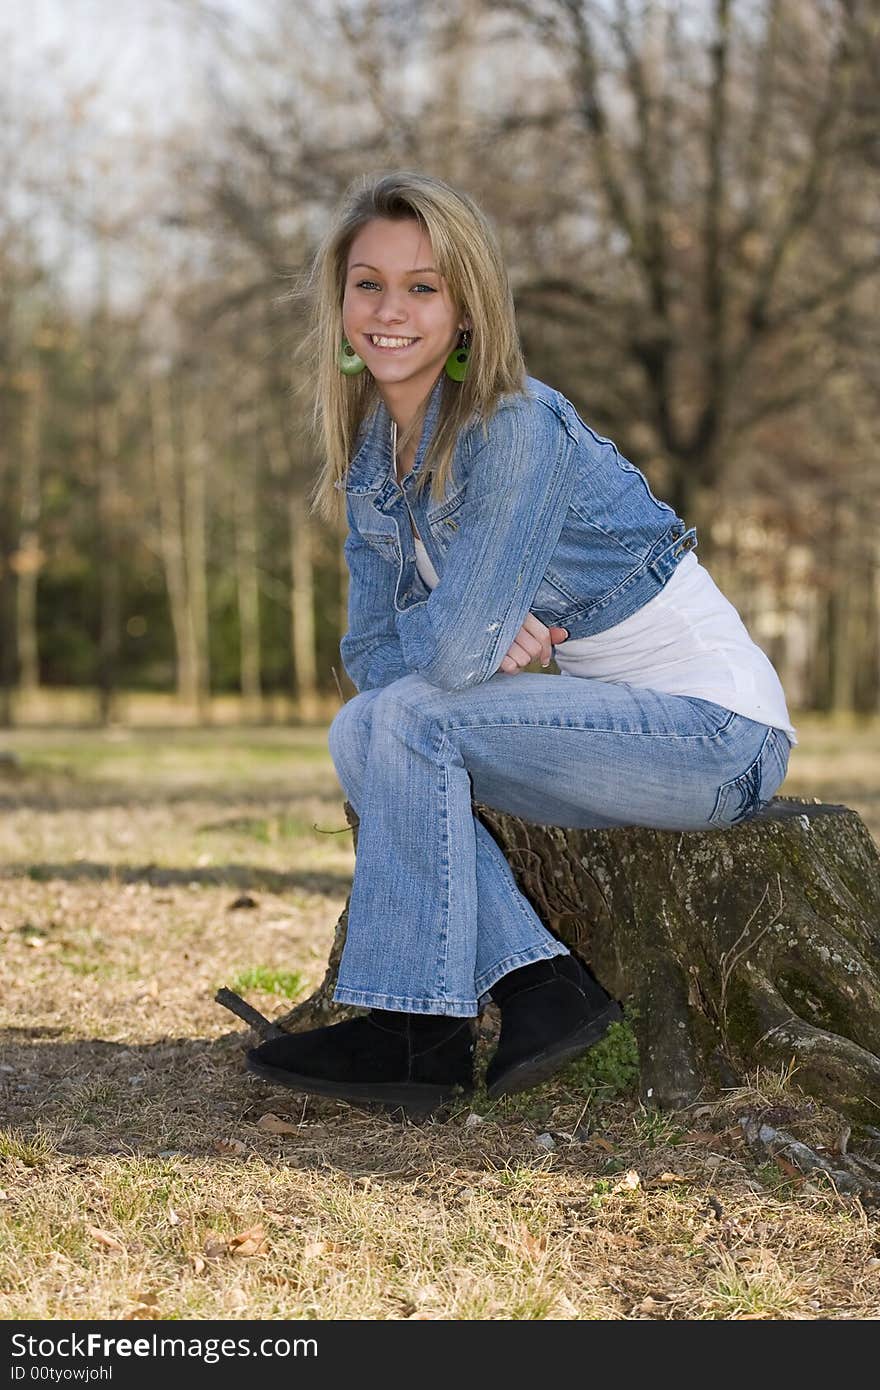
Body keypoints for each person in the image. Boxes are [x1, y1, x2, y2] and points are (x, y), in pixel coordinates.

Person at [247, 171, 796, 1116]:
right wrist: (471, 626)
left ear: (467, 309)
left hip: (714, 737)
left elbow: (447, 665)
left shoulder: (513, 427)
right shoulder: (376, 454)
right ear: (339, 302)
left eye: (423, 287)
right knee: (362, 730)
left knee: (411, 719)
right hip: (597, 737)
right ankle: (540, 990)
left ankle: (415, 1034)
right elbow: (373, 660)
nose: (389, 310)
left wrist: (473, 632)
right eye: (368, 283)